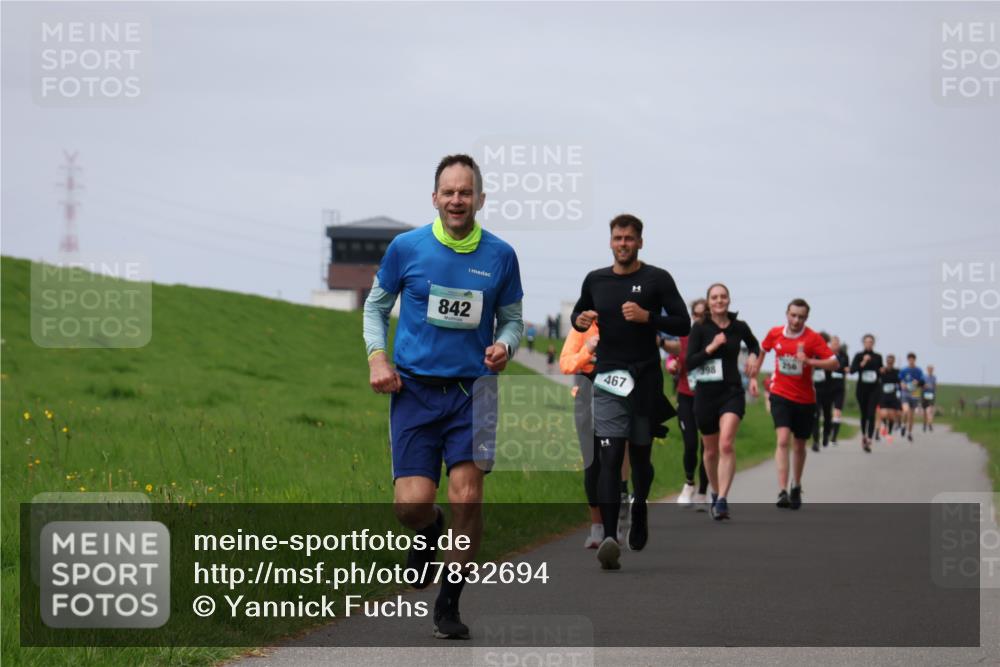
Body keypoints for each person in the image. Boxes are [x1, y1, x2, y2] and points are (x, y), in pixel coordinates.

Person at [363, 154, 524, 640]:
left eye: (466, 192)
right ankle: (428, 530)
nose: (457, 200)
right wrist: (377, 358)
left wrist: (506, 345)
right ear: (435, 198)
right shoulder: (406, 248)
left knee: (468, 499)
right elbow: (376, 307)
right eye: (449, 192)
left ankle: (449, 602)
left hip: (474, 392)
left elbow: (513, 319)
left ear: (480, 198)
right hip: (413, 390)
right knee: (410, 505)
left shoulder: (501, 255)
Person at [571, 214, 690, 569]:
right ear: (610, 242)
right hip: (607, 377)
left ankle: (639, 507)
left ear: (640, 242)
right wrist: (580, 320)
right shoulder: (596, 279)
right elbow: (580, 311)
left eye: (629, 238)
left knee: (640, 458)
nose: (623, 244)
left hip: (644, 380)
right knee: (609, 456)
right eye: (617, 238)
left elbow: (682, 323)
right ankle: (610, 538)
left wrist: (648, 316)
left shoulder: (657, 279)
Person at [753, 299, 838, 511]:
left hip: (805, 399)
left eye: (801, 317)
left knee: (799, 445)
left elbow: (834, 362)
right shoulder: (775, 333)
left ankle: (796, 485)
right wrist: (754, 375)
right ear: (787, 314)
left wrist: (810, 362)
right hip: (780, 394)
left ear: (806, 318)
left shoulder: (812, 338)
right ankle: (782, 490)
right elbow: (763, 349)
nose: (796, 320)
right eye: (793, 315)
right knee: (782, 440)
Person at [686, 284, 760, 520]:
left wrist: (753, 357)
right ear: (709, 302)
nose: (719, 300)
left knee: (726, 444)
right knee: (709, 451)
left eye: (723, 297)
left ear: (729, 300)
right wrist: (712, 347)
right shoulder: (699, 328)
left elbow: (754, 345)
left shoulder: (739, 327)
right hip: (705, 395)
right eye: (714, 297)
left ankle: (723, 499)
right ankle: (715, 493)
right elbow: (690, 362)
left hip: (732, 391)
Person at [559, 323, 633, 548]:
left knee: (611, 460)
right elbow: (566, 364)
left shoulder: (624, 325)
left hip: (615, 396)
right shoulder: (581, 329)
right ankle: (597, 527)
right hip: (585, 396)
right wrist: (588, 350)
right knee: (591, 464)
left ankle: (616, 523)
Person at [663, 299, 710, 510]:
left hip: (710, 398)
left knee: (708, 447)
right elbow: (671, 357)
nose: (700, 318)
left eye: (704, 314)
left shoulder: (715, 339)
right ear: (692, 316)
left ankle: (702, 492)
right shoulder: (683, 339)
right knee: (691, 443)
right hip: (686, 396)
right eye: (697, 314)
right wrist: (672, 365)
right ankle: (689, 483)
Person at [850, 334, 884, 452]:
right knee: (864, 414)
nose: (869, 343)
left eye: (871, 342)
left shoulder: (878, 357)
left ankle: (870, 438)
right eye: (866, 342)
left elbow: (880, 371)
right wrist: (863, 362)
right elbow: (852, 370)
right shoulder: (859, 356)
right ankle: (864, 435)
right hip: (862, 389)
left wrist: (881, 371)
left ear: (873, 343)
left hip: (874, 389)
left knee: (871, 413)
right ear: (863, 343)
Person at [810, 331, 835, 452]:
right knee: (815, 415)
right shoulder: (810, 353)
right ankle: (815, 441)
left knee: (827, 415)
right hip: (814, 390)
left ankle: (826, 435)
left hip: (828, 389)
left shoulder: (829, 354)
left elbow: (835, 365)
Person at [898, 352, 925, 442]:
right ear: (908, 360)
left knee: (911, 415)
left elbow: (922, 382)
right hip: (905, 393)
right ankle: (903, 425)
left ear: (914, 360)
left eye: (912, 359)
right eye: (909, 359)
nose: (911, 361)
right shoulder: (904, 370)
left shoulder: (919, 370)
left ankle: (909, 433)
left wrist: (917, 382)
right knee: (905, 410)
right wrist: (902, 384)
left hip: (915, 393)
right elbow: (899, 380)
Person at [827, 337, 850, 444]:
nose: (836, 345)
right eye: (834, 343)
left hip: (840, 387)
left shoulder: (844, 356)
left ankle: (834, 437)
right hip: (827, 387)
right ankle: (827, 431)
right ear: (830, 344)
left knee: (837, 412)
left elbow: (846, 369)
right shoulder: (826, 354)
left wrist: (845, 369)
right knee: (828, 412)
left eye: (837, 343)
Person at [878, 354, 902, 442]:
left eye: (891, 361)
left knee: (892, 416)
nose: (889, 363)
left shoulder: (897, 372)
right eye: (888, 361)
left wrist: (901, 384)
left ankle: (889, 432)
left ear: (893, 362)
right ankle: (884, 424)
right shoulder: (882, 370)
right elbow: (876, 376)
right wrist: (880, 372)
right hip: (883, 395)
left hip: (893, 396)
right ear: (886, 361)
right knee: (884, 414)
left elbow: (900, 381)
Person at [922, 365, 938, 432]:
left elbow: (935, 386)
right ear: (927, 370)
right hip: (925, 395)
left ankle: (930, 423)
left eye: (931, 369)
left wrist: (934, 392)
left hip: (931, 395)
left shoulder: (934, 377)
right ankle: (925, 424)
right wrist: (925, 386)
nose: (930, 370)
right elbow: (922, 386)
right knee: (925, 411)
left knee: (930, 410)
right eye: (929, 369)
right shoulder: (924, 377)